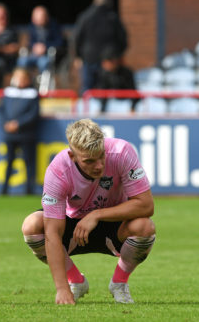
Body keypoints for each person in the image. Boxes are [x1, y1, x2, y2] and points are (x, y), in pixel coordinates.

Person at [21, 119, 156, 304]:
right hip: (74, 227)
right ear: (72, 156)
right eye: (89, 161)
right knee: (32, 225)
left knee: (145, 227)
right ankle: (75, 281)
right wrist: (62, 288)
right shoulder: (58, 171)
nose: (99, 165)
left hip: (115, 225)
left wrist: (96, 215)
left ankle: (119, 284)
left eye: (101, 156)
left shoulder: (122, 152)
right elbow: (52, 232)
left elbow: (147, 205)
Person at [74, 0, 128, 95]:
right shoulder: (113, 18)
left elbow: (77, 37)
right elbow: (123, 39)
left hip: (88, 58)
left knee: (87, 90)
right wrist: (117, 55)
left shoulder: (85, 16)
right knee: (105, 91)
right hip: (109, 60)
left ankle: (87, 111)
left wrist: (78, 55)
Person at [0, 67, 41, 195]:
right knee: (8, 162)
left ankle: (29, 190)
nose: (19, 80)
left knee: (29, 163)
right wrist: (6, 123)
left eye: (22, 77)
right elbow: (1, 111)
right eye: (17, 77)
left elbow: (33, 114)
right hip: (10, 135)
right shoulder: (8, 92)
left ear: (28, 79)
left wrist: (18, 124)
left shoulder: (33, 94)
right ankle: (4, 190)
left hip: (26, 134)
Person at [17, 6, 65, 74]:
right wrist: (35, 47)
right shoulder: (32, 27)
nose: (37, 21)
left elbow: (59, 42)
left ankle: (43, 84)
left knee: (43, 62)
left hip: (47, 54)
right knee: (22, 61)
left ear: (46, 17)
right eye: (35, 19)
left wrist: (45, 47)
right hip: (34, 54)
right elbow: (30, 42)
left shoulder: (54, 26)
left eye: (41, 19)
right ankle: (24, 82)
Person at [96, 47, 139, 113]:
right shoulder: (104, 74)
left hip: (125, 104)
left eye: (107, 62)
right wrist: (102, 109)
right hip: (112, 105)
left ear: (115, 61)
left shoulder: (126, 74)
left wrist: (132, 107)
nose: (104, 64)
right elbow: (103, 92)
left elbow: (133, 92)